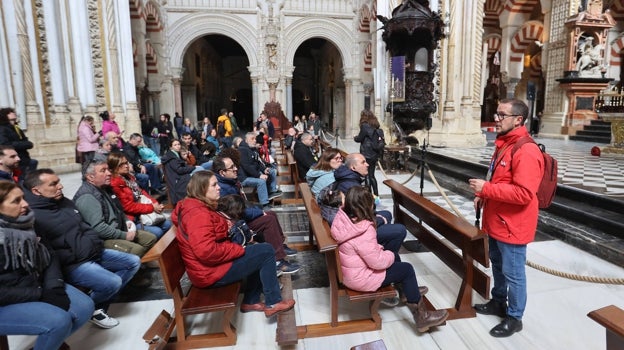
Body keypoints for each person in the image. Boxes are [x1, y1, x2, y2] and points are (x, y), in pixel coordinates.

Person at [23, 169, 141, 329]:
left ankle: (95, 305)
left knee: (133, 262)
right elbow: (49, 253)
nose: (61, 186)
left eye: (59, 181)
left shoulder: (64, 202)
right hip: (73, 264)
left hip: (92, 251)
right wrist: (79, 253)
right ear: (36, 191)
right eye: (53, 184)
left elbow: (85, 226)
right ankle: (93, 308)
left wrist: (94, 243)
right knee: (113, 282)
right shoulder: (34, 216)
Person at [171, 171, 295, 317]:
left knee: (257, 251)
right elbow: (206, 251)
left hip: (207, 268)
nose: (219, 188)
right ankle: (273, 302)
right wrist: (237, 249)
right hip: (209, 273)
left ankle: (251, 300)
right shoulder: (198, 214)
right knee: (266, 251)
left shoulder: (194, 206)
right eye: (214, 185)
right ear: (202, 189)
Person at [469, 98, 544, 338]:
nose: (496, 119)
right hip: (497, 220)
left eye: (502, 115)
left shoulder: (526, 150)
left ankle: (515, 317)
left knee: (514, 273)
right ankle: (498, 301)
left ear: (518, 120)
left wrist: (486, 189)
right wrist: (484, 195)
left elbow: (524, 194)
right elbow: (500, 180)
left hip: (513, 225)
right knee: (498, 266)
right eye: (497, 114)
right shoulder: (505, 144)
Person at [331, 186, 448, 333]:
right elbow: (377, 262)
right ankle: (422, 317)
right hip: (361, 278)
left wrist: (384, 252)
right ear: (366, 205)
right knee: (407, 269)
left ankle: (407, 292)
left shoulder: (343, 218)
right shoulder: (363, 229)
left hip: (350, 271)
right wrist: (389, 254)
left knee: (396, 260)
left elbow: (365, 251)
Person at [0, 181, 94, 349]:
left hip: (35, 283)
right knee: (58, 322)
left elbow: (49, 253)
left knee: (85, 308)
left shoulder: (27, 221)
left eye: (23, 198)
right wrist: (39, 293)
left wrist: (54, 286)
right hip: (7, 298)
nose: (26, 204)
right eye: (16, 201)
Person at [213, 156, 300, 274]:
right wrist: (259, 212)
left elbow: (242, 205)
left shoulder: (229, 182)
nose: (236, 169)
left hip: (240, 217)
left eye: (235, 165)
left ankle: (279, 244)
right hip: (238, 225)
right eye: (232, 167)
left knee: (271, 214)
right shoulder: (222, 189)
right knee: (268, 220)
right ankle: (277, 261)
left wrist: (257, 210)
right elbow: (237, 211)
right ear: (222, 172)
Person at [73, 159, 157, 257]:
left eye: (108, 169)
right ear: (90, 177)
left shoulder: (105, 188)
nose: (109, 173)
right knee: (137, 250)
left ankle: (141, 263)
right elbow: (98, 228)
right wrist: (124, 235)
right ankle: (135, 266)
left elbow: (118, 209)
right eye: (103, 171)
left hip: (119, 229)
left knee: (150, 238)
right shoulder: (87, 197)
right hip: (104, 239)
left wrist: (126, 220)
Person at [108, 153, 172, 240]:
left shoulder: (128, 177)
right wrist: (152, 207)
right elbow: (127, 206)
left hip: (143, 211)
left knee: (168, 224)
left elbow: (142, 192)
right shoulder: (114, 184)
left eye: (126, 163)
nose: (126, 166)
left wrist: (155, 203)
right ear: (114, 168)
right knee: (158, 232)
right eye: (121, 165)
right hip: (133, 218)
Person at [238, 132, 282, 209]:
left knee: (271, 171)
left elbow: (258, 162)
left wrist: (264, 169)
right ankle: (264, 204)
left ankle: (272, 191)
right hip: (244, 177)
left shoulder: (253, 148)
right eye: (252, 139)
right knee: (261, 181)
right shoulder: (242, 150)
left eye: (255, 138)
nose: (255, 140)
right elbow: (246, 167)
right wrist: (259, 175)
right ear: (246, 140)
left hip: (253, 173)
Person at [161, 139, 202, 206]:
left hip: (179, 176)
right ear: (171, 147)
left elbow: (183, 166)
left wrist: (192, 167)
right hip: (177, 180)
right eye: (175, 145)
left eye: (178, 144)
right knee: (199, 172)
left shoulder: (175, 154)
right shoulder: (172, 157)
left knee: (200, 170)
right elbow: (179, 170)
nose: (178, 146)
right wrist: (192, 168)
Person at [0, 108, 37, 178]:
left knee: (33, 164)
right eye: (12, 120)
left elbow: (27, 142)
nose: (14, 121)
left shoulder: (16, 128)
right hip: (16, 161)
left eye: (15, 119)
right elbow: (5, 144)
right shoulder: (2, 129)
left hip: (24, 159)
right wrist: (24, 144)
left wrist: (26, 144)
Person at [354, 110, 384, 196]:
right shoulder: (376, 125)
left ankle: (368, 196)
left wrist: (355, 137)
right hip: (374, 153)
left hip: (366, 153)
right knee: (372, 176)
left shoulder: (364, 126)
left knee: (366, 175)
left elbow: (360, 138)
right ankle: (376, 195)